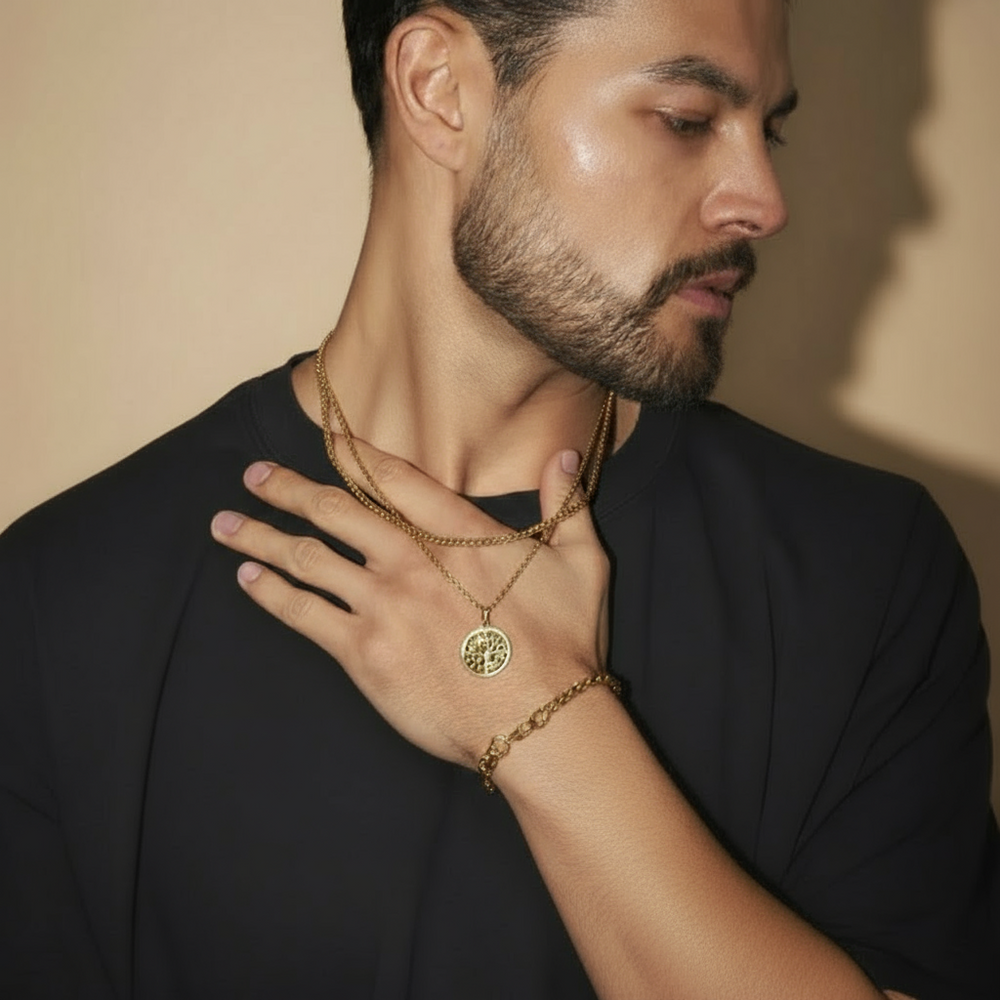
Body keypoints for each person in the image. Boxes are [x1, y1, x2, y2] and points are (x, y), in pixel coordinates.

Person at [1, 0, 996, 997]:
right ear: (441, 89)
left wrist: (535, 711)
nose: (764, 199)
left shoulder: (864, 574)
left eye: (767, 128)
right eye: (690, 118)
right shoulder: (63, 599)